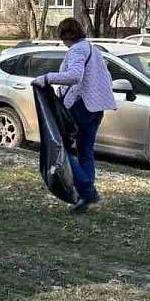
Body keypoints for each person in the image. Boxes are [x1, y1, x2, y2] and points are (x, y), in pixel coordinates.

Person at [31, 18, 117, 213]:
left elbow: (74, 76)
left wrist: (47, 78)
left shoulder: (77, 50)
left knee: (64, 149)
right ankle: (87, 196)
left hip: (81, 107)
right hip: (97, 107)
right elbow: (107, 78)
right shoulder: (93, 49)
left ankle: (88, 193)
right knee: (86, 151)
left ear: (65, 35)